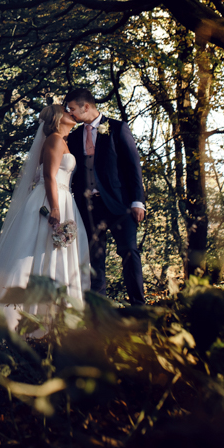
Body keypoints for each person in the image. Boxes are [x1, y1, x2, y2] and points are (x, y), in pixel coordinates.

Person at [0, 104, 89, 331]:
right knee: (31, 255)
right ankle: (12, 320)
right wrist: (55, 208)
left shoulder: (63, 141)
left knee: (48, 254)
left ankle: (49, 317)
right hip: (50, 200)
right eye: (67, 112)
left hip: (63, 199)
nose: (71, 114)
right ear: (57, 118)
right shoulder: (54, 139)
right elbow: (49, 176)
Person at [64, 87, 147, 305]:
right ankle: (98, 312)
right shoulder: (73, 138)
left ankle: (138, 306)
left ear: (86, 107)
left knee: (129, 252)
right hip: (89, 208)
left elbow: (132, 166)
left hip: (120, 205)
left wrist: (138, 201)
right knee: (94, 260)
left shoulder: (117, 128)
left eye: (72, 109)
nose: (70, 113)